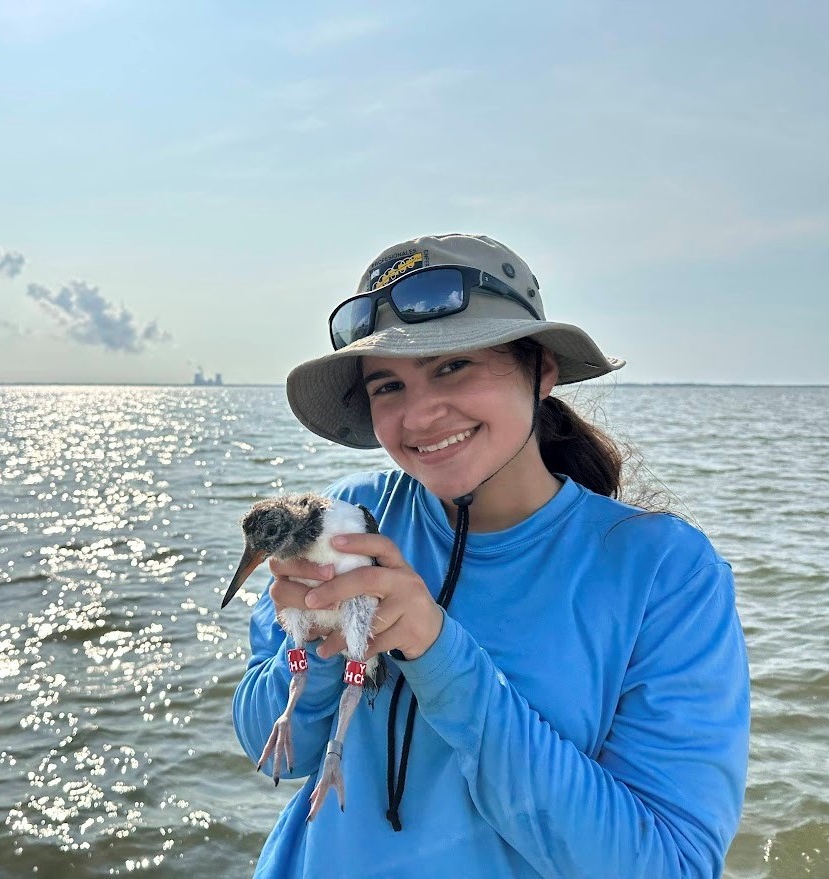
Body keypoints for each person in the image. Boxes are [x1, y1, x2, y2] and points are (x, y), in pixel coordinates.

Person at [230, 233, 750, 878]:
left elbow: (668, 865)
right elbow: (273, 753)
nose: (419, 415)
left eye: (453, 366)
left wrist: (437, 652)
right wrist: (309, 640)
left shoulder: (662, 571)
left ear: (543, 371)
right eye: (388, 385)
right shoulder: (349, 516)